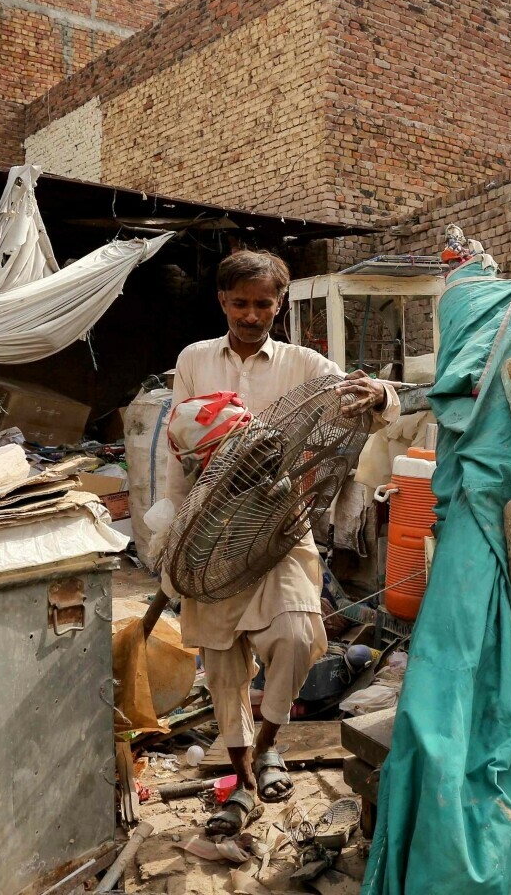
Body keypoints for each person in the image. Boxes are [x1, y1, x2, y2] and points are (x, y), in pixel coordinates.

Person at [160, 249, 397, 837]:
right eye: (239, 303)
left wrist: (380, 400)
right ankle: (240, 784)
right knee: (221, 664)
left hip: (281, 527)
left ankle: (269, 742)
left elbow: (367, 399)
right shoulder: (193, 359)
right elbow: (177, 445)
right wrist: (167, 532)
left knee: (296, 636)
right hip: (209, 533)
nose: (250, 314)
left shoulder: (304, 363)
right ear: (222, 302)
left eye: (262, 303)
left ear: (279, 305)